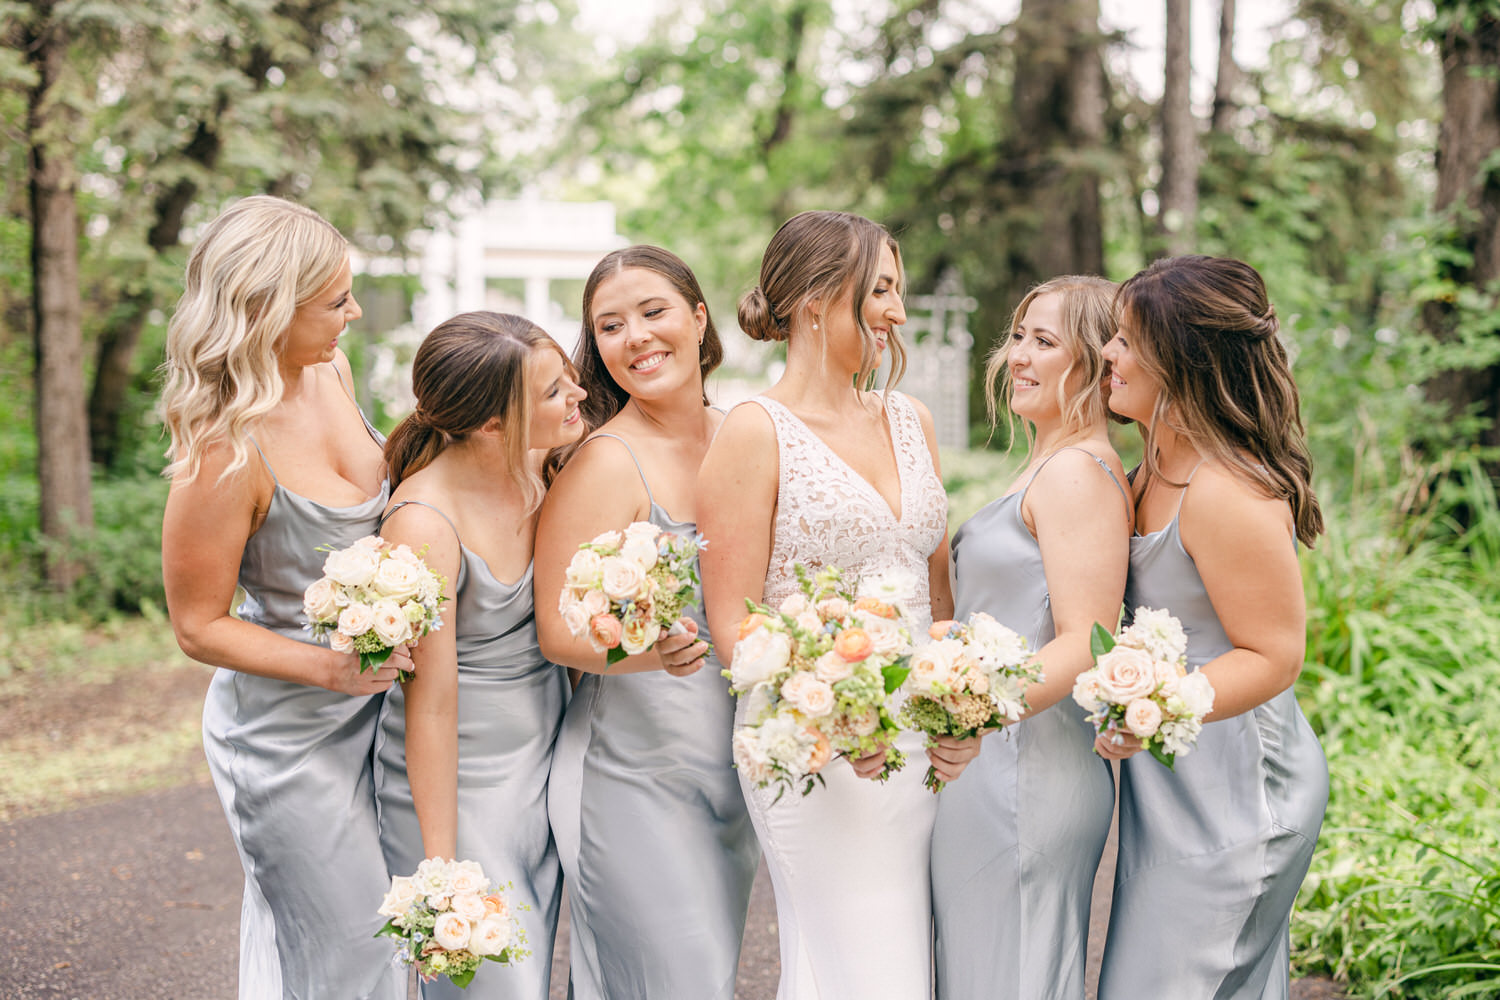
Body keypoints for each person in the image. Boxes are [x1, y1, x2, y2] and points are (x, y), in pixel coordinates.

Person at [698, 210, 976, 999]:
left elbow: (937, 597)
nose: (897, 310)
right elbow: (734, 628)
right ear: (817, 299)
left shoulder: (909, 419)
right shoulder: (756, 432)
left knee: (903, 966)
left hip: (917, 746)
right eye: (881, 289)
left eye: (898, 289)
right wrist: (846, 712)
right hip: (816, 742)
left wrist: (957, 711)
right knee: (863, 966)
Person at [159, 194, 407, 1000]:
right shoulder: (225, 449)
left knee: (390, 936)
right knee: (352, 952)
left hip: (378, 718)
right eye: (336, 300)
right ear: (267, 307)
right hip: (285, 741)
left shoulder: (329, 369)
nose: (354, 313)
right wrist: (330, 670)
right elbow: (198, 627)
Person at [1096, 255, 1328, 998]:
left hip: (1239, 796)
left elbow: (1275, 654)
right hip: (1172, 791)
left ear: (1180, 360)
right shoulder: (1146, 470)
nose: (1108, 353)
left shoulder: (1225, 492)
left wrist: (1153, 707)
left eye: (1128, 341)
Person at [534, 246, 759, 1000]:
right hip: (631, 772)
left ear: (698, 318)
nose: (635, 337)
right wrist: (649, 655)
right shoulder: (603, 461)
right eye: (610, 325)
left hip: (727, 772)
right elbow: (555, 633)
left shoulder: (745, 436)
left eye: (653, 312)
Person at [371, 312, 587, 999]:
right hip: (463, 783)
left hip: (541, 766)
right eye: (554, 392)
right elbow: (428, 704)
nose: (577, 396)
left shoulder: (543, 467)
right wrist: (442, 864)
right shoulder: (425, 522)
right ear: (491, 424)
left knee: (531, 960)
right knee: (496, 978)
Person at [930, 276, 1132, 999]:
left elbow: (1087, 640)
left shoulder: (1077, 473)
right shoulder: (1048, 462)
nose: (1017, 354)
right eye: (1019, 334)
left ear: (1095, 363)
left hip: (1024, 768)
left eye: (1044, 341)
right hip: (994, 757)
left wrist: (971, 713)